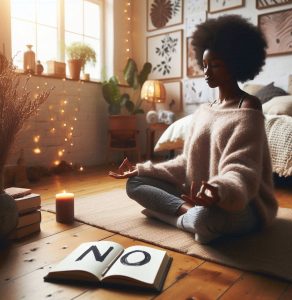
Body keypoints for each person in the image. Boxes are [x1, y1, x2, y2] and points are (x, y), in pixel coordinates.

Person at [109, 15, 278, 244]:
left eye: (215, 65)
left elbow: (243, 169)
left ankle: (172, 216)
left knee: (204, 218)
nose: (207, 73)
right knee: (135, 184)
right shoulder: (203, 111)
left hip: (242, 202)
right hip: (198, 198)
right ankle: (187, 213)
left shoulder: (248, 106)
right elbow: (186, 163)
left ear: (235, 64)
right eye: (205, 65)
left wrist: (218, 192)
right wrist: (141, 170)